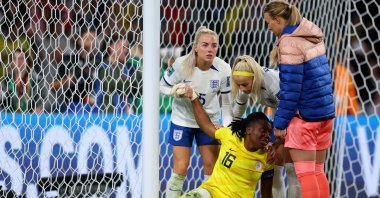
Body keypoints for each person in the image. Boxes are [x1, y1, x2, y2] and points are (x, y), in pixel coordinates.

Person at [263, 1, 335, 198]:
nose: (268, 27)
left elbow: (291, 90)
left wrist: (280, 122)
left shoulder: (289, 42)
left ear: (278, 20)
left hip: (304, 117)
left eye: (269, 22)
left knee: (305, 175)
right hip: (324, 114)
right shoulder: (311, 35)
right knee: (318, 172)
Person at [160, 26, 233, 197]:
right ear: (195, 46)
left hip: (209, 122)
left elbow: (227, 105)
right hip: (183, 120)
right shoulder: (181, 64)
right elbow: (161, 86)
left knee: (211, 168)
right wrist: (174, 90)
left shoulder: (223, 69)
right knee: (181, 168)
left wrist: (227, 129)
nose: (210, 49)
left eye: (214, 45)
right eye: (205, 45)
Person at [173, 86, 273, 198]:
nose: (267, 136)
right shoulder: (230, 136)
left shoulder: (268, 157)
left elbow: (267, 194)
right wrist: (193, 97)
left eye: (269, 132)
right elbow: (206, 125)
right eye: (263, 131)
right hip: (211, 192)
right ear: (249, 130)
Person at [231, 55, 301, 198]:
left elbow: (290, 106)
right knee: (275, 169)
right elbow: (237, 113)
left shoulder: (271, 81)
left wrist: (278, 140)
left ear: (255, 78)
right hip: (280, 113)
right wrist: (231, 134)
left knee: (291, 169)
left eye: (244, 85)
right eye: (238, 85)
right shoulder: (244, 85)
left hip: (298, 112)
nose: (242, 89)